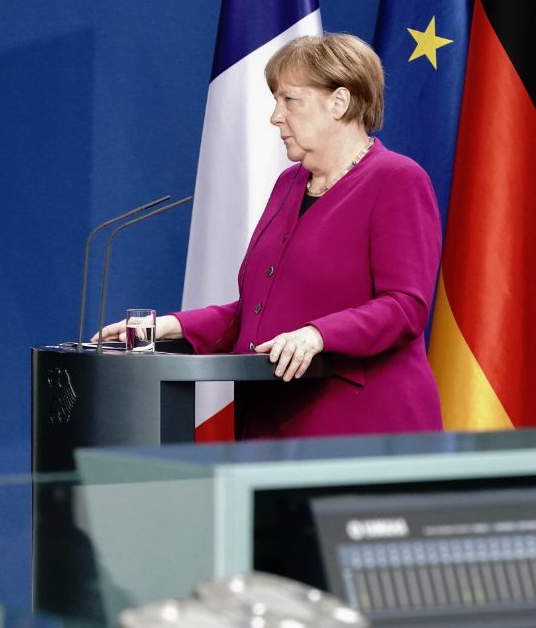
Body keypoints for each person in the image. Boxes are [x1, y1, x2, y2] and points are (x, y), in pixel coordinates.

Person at [99, 33, 443, 439]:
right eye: (275, 101)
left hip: (362, 429)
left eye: (289, 100)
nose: (275, 116)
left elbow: (406, 306)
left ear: (340, 102)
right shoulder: (289, 185)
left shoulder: (397, 180)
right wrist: (170, 326)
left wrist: (318, 334)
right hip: (272, 421)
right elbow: (257, 313)